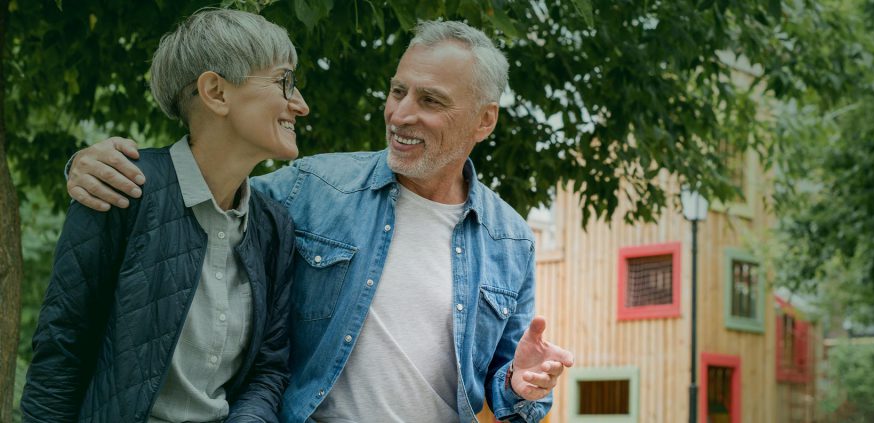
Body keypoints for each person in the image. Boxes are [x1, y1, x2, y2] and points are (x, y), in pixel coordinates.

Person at [66, 19, 573, 422]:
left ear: (484, 120)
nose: (400, 115)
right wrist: (85, 165)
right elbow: (198, 190)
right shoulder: (313, 186)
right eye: (398, 92)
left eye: (430, 101)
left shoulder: (510, 240)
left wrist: (520, 384)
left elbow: (507, 400)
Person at [22, 9, 309, 423]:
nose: (300, 104)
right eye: (285, 81)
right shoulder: (120, 190)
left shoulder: (273, 228)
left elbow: (267, 370)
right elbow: (60, 354)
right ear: (216, 92)